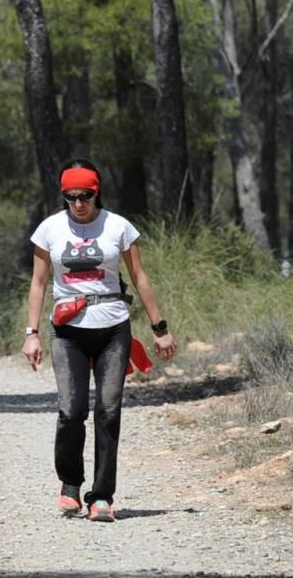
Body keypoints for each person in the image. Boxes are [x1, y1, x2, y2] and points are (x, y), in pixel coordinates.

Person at [23, 159, 177, 522]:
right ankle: (71, 486)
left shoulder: (119, 227)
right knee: (71, 410)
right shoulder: (49, 229)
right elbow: (39, 284)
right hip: (67, 332)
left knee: (108, 412)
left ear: (97, 193)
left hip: (112, 328)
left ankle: (102, 497)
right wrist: (31, 334)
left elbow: (139, 276)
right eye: (71, 196)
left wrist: (159, 327)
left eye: (86, 196)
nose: (78, 204)